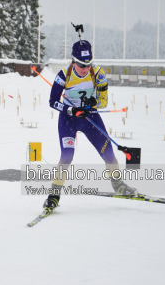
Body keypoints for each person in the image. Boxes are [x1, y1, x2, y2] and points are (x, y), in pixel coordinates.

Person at [43, 40, 137, 213]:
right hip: (68, 119)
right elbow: (52, 101)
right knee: (67, 156)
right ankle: (54, 195)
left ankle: (118, 185)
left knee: (108, 153)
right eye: (81, 65)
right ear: (73, 60)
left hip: (90, 117)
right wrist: (71, 110)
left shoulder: (98, 73)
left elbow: (103, 101)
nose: (85, 69)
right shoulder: (64, 75)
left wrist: (94, 102)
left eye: (88, 64)